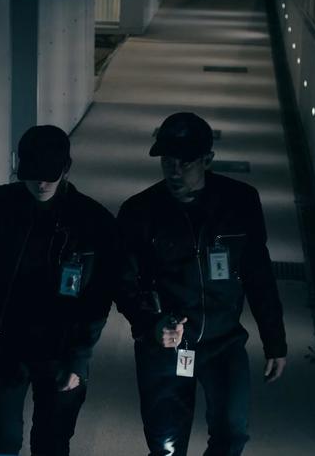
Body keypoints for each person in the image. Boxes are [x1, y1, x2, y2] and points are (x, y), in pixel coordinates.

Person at [115, 112, 288, 456]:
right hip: (167, 347)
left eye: (185, 162)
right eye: (167, 161)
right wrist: (150, 324)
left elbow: (259, 274)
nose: (175, 171)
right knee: (166, 446)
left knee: (232, 433)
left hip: (223, 341)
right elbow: (122, 283)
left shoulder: (240, 202)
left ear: (207, 159)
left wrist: (275, 340)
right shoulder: (139, 212)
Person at [0, 125, 117, 455]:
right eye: (33, 174)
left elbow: (98, 298)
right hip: (2, 342)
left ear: (66, 168)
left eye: (49, 176)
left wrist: (79, 360)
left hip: (61, 350)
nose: (40, 183)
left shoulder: (93, 220)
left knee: (51, 443)